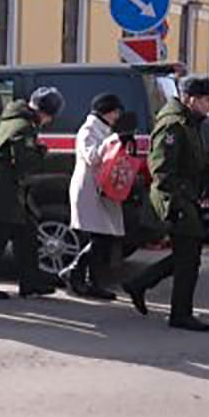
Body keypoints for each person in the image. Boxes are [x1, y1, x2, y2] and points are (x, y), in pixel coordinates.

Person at [122, 76, 209, 332]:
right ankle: (180, 314)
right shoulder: (173, 125)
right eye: (206, 100)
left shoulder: (189, 122)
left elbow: (189, 160)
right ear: (190, 99)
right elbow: (162, 169)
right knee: (189, 257)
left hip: (185, 196)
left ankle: (140, 284)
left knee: (187, 255)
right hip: (174, 198)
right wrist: (175, 202)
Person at [0, 87, 64, 300]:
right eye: (50, 117)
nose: (49, 122)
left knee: (27, 234)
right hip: (7, 190)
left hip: (10, 188)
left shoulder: (13, 118)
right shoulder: (23, 127)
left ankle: (30, 282)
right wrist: (41, 152)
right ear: (45, 112)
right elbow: (24, 163)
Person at [61, 93, 127, 300]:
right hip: (89, 189)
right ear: (106, 111)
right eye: (115, 111)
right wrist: (114, 140)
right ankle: (75, 273)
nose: (117, 116)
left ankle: (89, 279)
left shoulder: (104, 129)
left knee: (104, 237)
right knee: (100, 236)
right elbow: (93, 157)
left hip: (102, 188)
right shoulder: (89, 130)